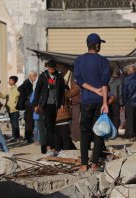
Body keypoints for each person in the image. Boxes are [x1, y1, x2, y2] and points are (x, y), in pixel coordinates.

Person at [73, 33, 110, 172]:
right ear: (97, 45)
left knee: (84, 132)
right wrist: (105, 102)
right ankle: (94, 164)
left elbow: (79, 81)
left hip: (86, 101)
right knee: (99, 132)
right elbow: (104, 83)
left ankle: (83, 164)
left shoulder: (79, 61)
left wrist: (93, 90)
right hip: (99, 101)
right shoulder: (104, 61)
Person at [33, 60, 65, 155]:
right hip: (45, 105)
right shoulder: (43, 76)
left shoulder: (59, 76)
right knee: (48, 126)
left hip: (55, 105)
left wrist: (62, 104)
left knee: (53, 126)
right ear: (47, 68)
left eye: (53, 69)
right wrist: (36, 104)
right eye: (50, 69)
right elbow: (37, 90)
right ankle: (49, 146)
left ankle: (51, 146)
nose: (51, 71)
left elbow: (62, 91)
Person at [18, 71, 38, 143]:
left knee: (30, 120)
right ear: (31, 76)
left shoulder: (30, 82)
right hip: (28, 104)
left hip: (29, 103)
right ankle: (28, 137)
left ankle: (29, 136)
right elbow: (20, 89)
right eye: (34, 76)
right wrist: (27, 97)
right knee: (29, 121)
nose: (35, 78)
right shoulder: (27, 82)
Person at [0, 76, 20, 142]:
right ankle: (14, 136)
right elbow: (3, 96)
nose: (9, 81)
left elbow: (17, 98)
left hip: (15, 109)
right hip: (9, 109)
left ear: (13, 81)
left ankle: (17, 137)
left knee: (15, 123)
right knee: (12, 123)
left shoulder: (17, 89)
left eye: (10, 80)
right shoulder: (9, 89)